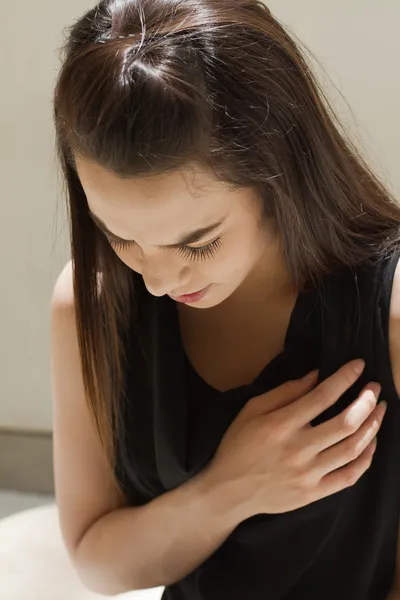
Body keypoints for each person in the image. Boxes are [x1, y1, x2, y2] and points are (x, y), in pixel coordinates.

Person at [50, 1, 400, 599]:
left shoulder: (390, 312)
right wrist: (231, 488)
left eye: (198, 243)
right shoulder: (91, 301)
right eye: (120, 236)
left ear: (279, 173)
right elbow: (97, 566)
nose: (156, 280)